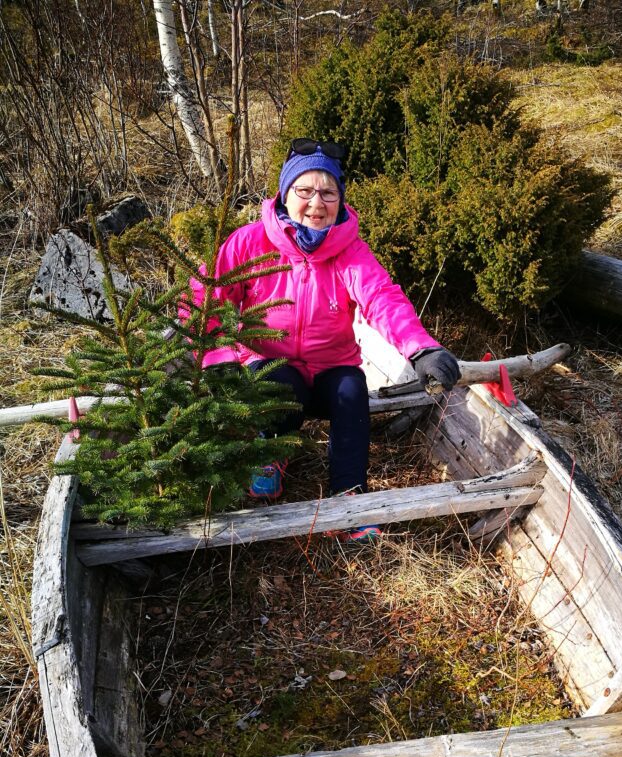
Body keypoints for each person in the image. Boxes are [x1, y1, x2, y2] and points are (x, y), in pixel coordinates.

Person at [192, 138, 460, 540]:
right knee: (278, 385)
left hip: (330, 367)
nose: (317, 203)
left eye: (328, 192)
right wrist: (212, 357)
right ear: (286, 193)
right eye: (305, 190)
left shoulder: (350, 250)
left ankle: (348, 497)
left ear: (339, 199)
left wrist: (421, 348)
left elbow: (383, 299)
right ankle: (270, 454)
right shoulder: (250, 242)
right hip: (269, 364)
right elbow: (205, 297)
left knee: (352, 392)